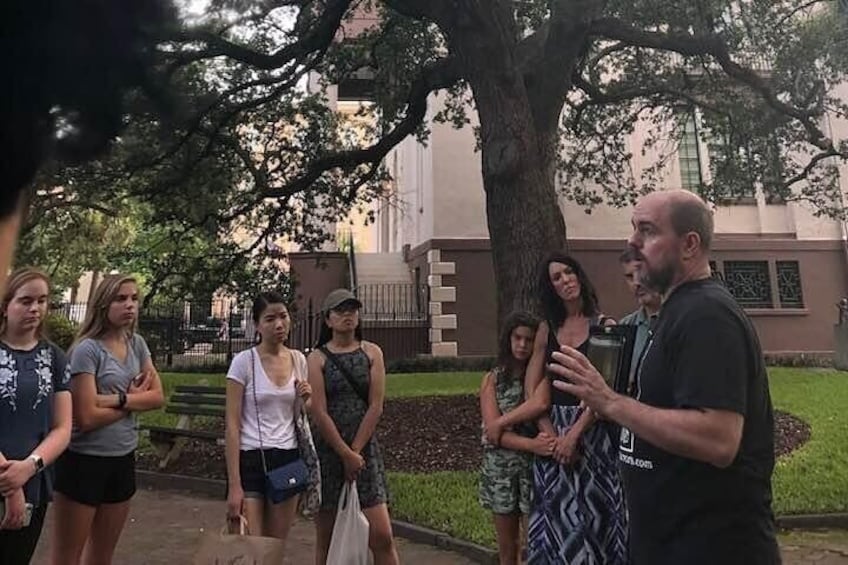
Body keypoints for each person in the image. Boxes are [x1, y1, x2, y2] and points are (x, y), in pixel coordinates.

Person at [551, 189, 780, 564]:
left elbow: (719, 438)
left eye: (647, 231)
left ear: (689, 245)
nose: (632, 242)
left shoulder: (707, 315)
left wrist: (610, 401)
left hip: (710, 548)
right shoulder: (674, 312)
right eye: (633, 230)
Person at [486, 253, 628, 564]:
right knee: (555, 527)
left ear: (579, 275)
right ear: (550, 288)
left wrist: (573, 436)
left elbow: (605, 391)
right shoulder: (546, 331)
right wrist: (552, 438)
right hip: (553, 439)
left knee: (597, 522)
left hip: (593, 432)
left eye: (569, 272)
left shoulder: (605, 326)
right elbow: (532, 388)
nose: (565, 280)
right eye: (557, 277)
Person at [52, 274, 166, 565]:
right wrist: (131, 404)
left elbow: (156, 397)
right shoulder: (87, 350)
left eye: (134, 298)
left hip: (122, 458)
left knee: (102, 556)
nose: (129, 305)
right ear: (103, 304)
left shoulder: (137, 344)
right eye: (120, 298)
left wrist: (116, 399)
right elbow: (86, 417)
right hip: (83, 461)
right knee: (67, 557)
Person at [307, 288, 399, 565]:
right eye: (340, 310)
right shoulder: (317, 358)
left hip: (364, 451)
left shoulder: (372, 353)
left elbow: (375, 405)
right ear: (328, 319)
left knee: (382, 534)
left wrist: (356, 452)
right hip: (329, 450)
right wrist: (343, 453)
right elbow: (318, 411)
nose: (348, 315)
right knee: (327, 535)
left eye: (352, 309)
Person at [224, 292, 313, 549]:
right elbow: (231, 424)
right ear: (257, 325)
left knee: (274, 546)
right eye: (270, 318)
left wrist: (305, 398)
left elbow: (302, 414)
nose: (278, 325)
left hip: (287, 457)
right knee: (251, 544)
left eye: (283, 317)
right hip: (251, 457)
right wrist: (234, 485)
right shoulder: (243, 363)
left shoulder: (298, 359)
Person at [0, 269, 72, 564]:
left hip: (34, 483)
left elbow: (63, 427)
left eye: (42, 300)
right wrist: (9, 482)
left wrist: (29, 468)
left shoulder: (54, 357)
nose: (35, 308)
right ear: (5, 305)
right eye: (25, 300)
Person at [479, 311, 555, 565]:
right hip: (500, 472)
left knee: (535, 545)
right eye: (517, 338)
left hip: (533, 472)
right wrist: (532, 444)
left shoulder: (544, 375)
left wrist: (503, 422)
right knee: (507, 549)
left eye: (529, 340)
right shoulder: (493, 378)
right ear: (508, 339)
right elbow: (492, 435)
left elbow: (539, 403)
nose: (522, 345)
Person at [618, 248, 662, 393]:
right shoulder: (625, 326)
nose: (636, 282)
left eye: (642, 273)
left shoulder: (681, 320)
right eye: (629, 276)